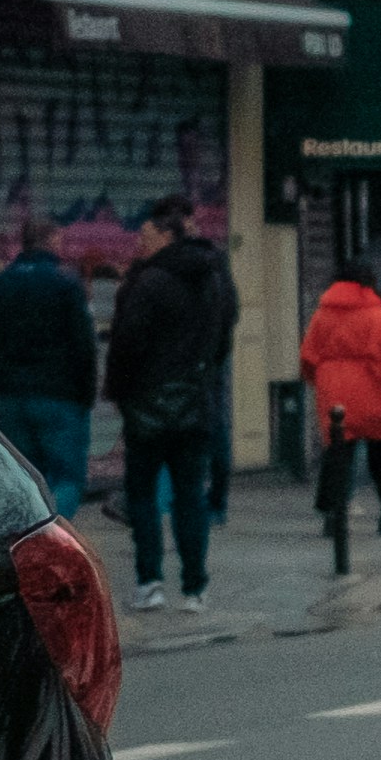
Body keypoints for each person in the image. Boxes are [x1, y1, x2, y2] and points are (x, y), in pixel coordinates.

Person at [103, 195, 242, 609]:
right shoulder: (212, 276)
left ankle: (150, 582)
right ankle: (195, 587)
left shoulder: (147, 282)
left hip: (147, 405)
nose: (140, 241)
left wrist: (123, 393)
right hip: (196, 404)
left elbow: (126, 345)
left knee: (142, 495)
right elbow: (223, 334)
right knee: (189, 496)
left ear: (167, 234)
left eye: (146, 234)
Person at [0, 224, 99, 516]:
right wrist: (86, 392)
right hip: (60, 396)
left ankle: (32, 535)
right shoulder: (66, 285)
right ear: (52, 241)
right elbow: (83, 345)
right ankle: (52, 538)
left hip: (11, 397)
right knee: (67, 476)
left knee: (26, 478)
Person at [302, 269, 381, 575]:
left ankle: (331, 512)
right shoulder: (379, 313)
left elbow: (308, 356)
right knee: (380, 452)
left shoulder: (324, 313)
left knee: (339, 452)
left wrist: (318, 380)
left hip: (333, 387)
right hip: (372, 386)